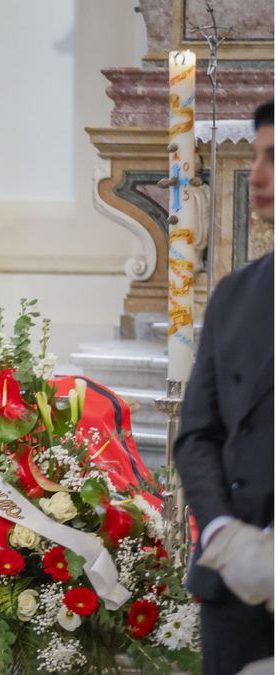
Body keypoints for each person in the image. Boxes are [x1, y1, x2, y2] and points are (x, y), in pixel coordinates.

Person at [174, 100, 274, 675]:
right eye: (256, 155)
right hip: (234, 586)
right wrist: (223, 533)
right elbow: (197, 435)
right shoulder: (234, 296)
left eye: (272, 159)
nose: (255, 175)